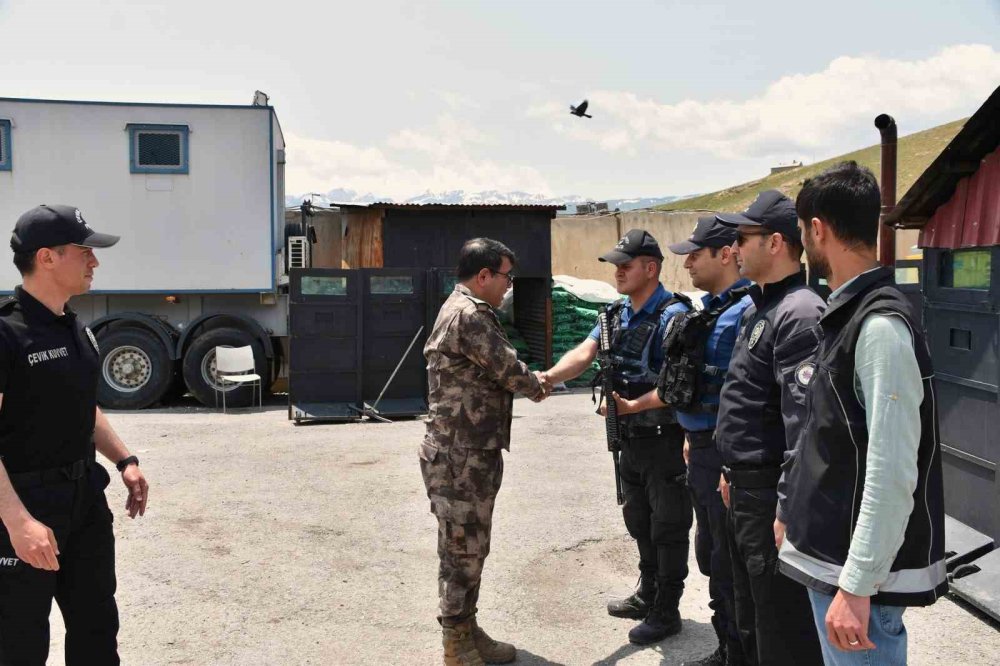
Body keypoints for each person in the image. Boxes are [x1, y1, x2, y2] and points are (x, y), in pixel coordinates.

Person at [777, 162, 947, 665]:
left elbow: (892, 470)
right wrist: (792, 515)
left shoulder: (877, 326)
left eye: (802, 230)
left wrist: (857, 585)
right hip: (835, 566)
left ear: (817, 229)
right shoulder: (847, 313)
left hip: (856, 583)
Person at [0, 204, 150, 665]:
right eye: (84, 251)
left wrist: (124, 460)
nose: (94, 261)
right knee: (19, 642)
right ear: (47, 257)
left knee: (97, 629)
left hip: (84, 500)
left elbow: (82, 407)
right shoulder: (6, 332)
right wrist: (18, 523)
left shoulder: (75, 328)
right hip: (26, 503)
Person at [541, 229, 691, 646]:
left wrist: (631, 406)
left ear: (651, 268)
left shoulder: (674, 317)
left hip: (664, 437)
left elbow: (679, 385)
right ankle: (648, 592)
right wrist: (548, 378)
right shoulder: (615, 315)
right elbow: (584, 353)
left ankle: (668, 609)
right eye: (616, 266)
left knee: (669, 524)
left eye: (626, 265)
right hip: (629, 438)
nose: (618, 272)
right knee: (638, 519)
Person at [613, 216, 752, 666]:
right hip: (701, 447)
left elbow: (747, 397)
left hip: (723, 454)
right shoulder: (712, 310)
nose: (687, 263)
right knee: (711, 555)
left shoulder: (745, 312)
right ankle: (727, 646)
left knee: (720, 556)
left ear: (726, 254)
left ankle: (734, 650)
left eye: (695, 254)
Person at [420, 237, 550, 666]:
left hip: (465, 450)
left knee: (470, 546)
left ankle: (467, 628)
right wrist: (540, 384)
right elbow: (508, 369)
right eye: (507, 277)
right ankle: (457, 643)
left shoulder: (460, 307)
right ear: (483, 275)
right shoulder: (471, 315)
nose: (509, 286)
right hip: (461, 455)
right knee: (462, 550)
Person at [713, 191, 825, 665]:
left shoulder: (799, 311)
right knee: (750, 616)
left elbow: (805, 427)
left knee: (780, 629)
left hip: (768, 496)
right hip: (743, 489)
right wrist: (729, 471)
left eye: (742, 238)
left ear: (775, 242)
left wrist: (785, 507)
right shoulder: (759, 307)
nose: (733, 248)